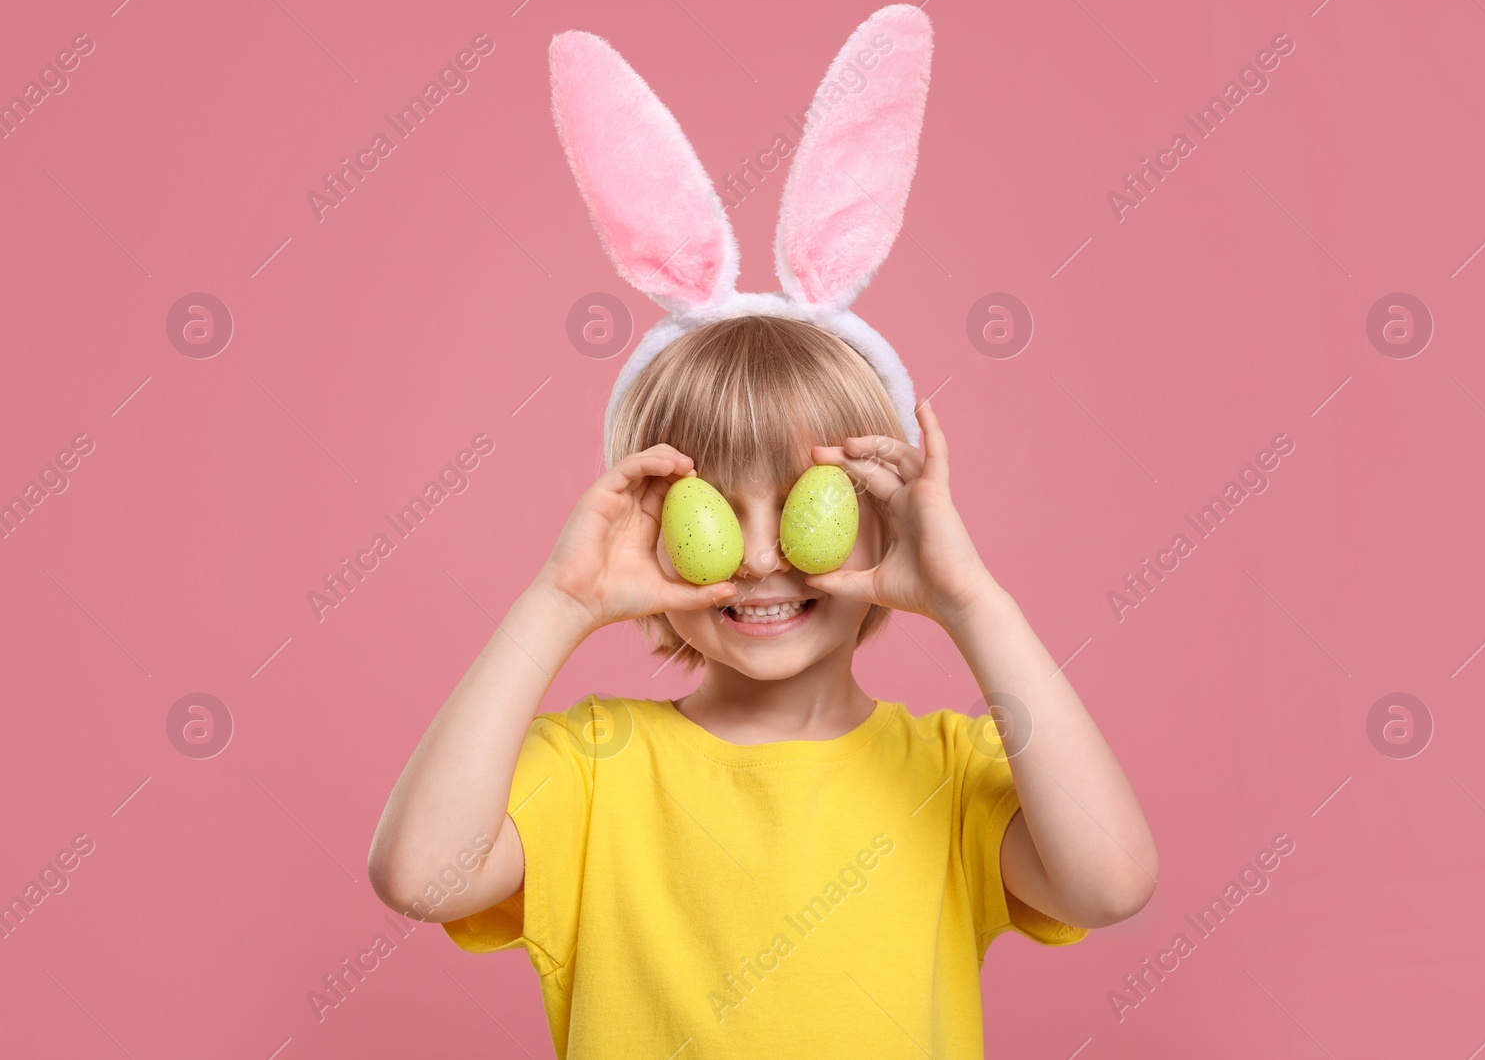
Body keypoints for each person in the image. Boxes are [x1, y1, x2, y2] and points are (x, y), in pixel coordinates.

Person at [368, 315, 1158, 1056]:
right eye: (709, 505)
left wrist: (972, 600)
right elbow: (419, 875)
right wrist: (559, 602)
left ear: (884, 522)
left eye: (802, 506)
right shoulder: (594, 765)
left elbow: (1111, 882)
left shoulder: (948, 774)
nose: (756, 556)